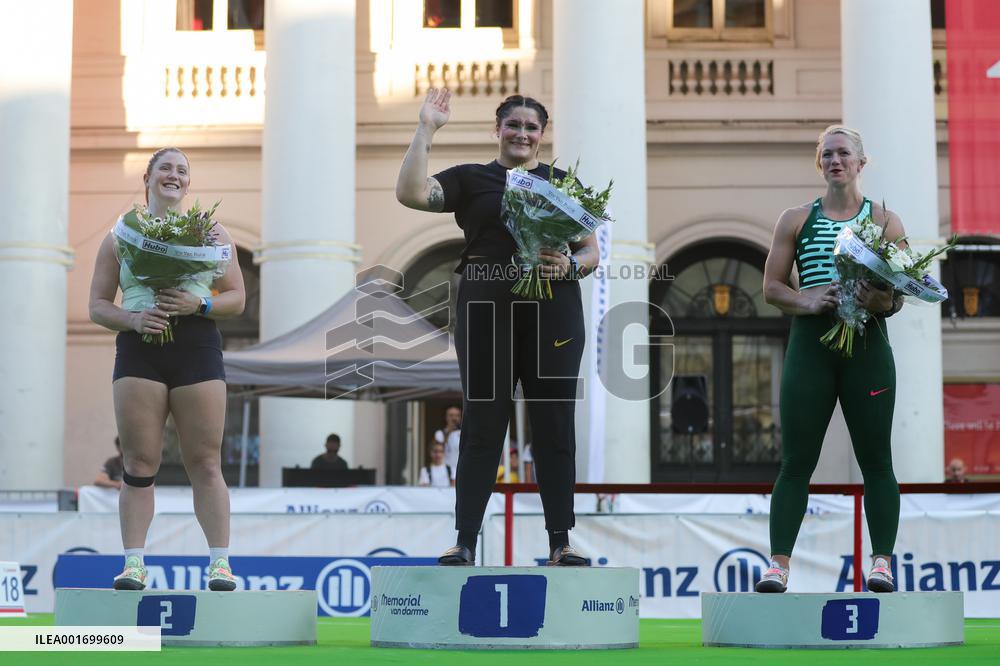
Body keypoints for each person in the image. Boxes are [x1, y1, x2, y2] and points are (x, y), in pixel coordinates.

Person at [395, 89, 599, 566]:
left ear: (542, 135)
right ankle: (465, 540)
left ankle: (560, 540)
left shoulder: (562, 182)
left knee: (554, 423)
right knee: (483, 422)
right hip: (488, 303)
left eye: (531, 127)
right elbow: (410, 193)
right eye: (513, 125)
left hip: (554, 307)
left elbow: (592, 252)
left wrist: (570, 263)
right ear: (498, 129)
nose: (522, 134)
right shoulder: (472, 178)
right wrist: (426, 128)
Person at [756, 126, 906, 594]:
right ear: (818, 163)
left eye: (843, 154)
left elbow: (898, 298)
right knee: (796, 461)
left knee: (877, 460)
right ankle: (778, 565)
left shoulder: (885, 221)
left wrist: (876, 299)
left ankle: (881, 562)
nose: (835, 161)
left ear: (862, 163)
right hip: (811, 344)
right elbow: (772, 288)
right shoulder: (796, 218)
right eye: (826, 154)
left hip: (867, 344)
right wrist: (809, 300)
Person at [89, 147, 246, 591]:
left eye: (182, 170)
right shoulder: (121, 233)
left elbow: (237, 297)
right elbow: (98, 305)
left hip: (197, 346)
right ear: (148, 177)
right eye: (165, 168)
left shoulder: (212, 232)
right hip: (140, 348)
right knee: (139, 461)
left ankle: (220, 563)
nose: (173, 175)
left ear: (188, 184)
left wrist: (202, 301)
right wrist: (135, 319)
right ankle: (133, 564)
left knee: (205, 461)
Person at [434, 405, 462, 471]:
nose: (454, 418)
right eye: (451, 415)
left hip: (460, 470)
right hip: (446, 471)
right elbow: (438, 451)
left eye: (457, 415)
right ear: (446, 417)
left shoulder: (464, 434)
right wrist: (449, 431)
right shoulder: (440, 433)